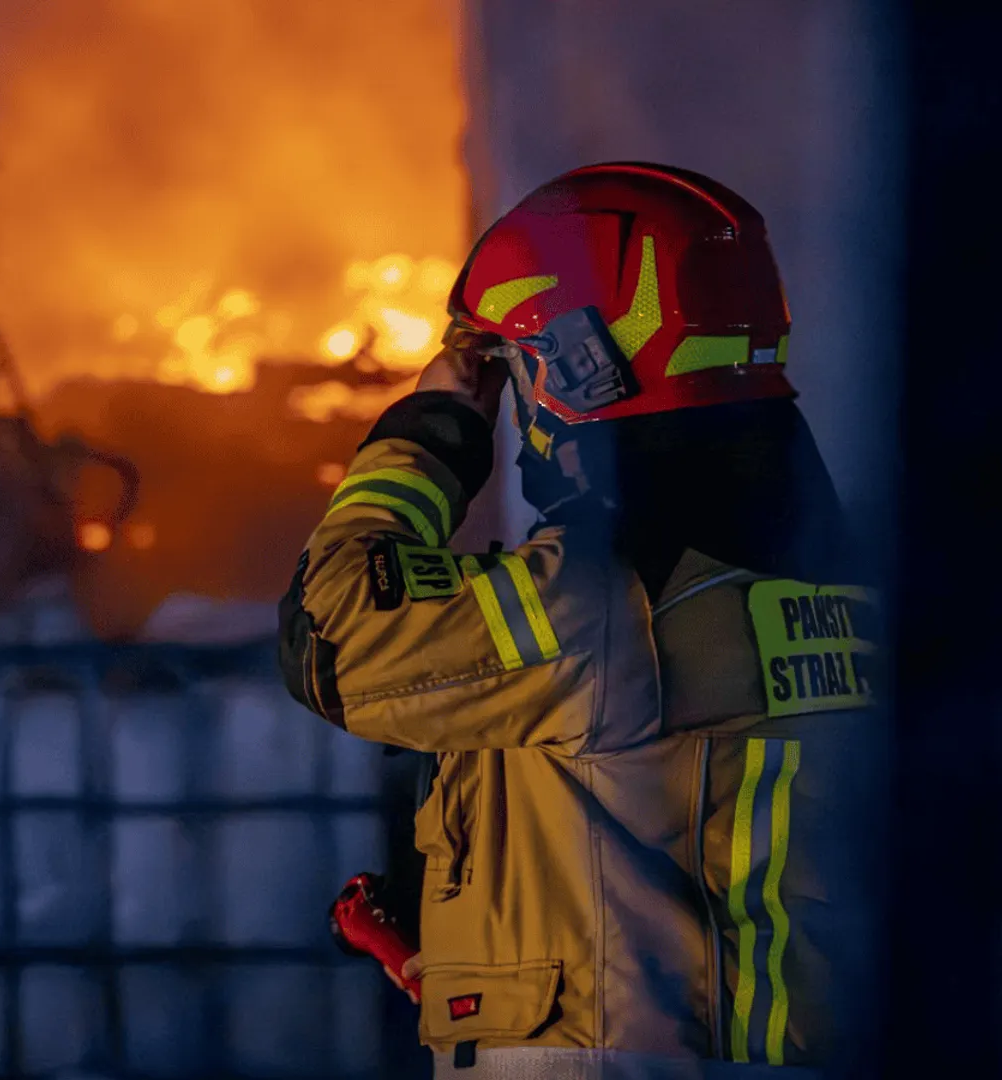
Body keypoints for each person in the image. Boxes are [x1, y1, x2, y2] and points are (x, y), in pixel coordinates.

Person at [279, 162, 874, 1078]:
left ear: (580, 366)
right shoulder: (842, 586)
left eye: (517, 370)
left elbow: (338, 638)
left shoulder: (606, 604)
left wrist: (430, 429)